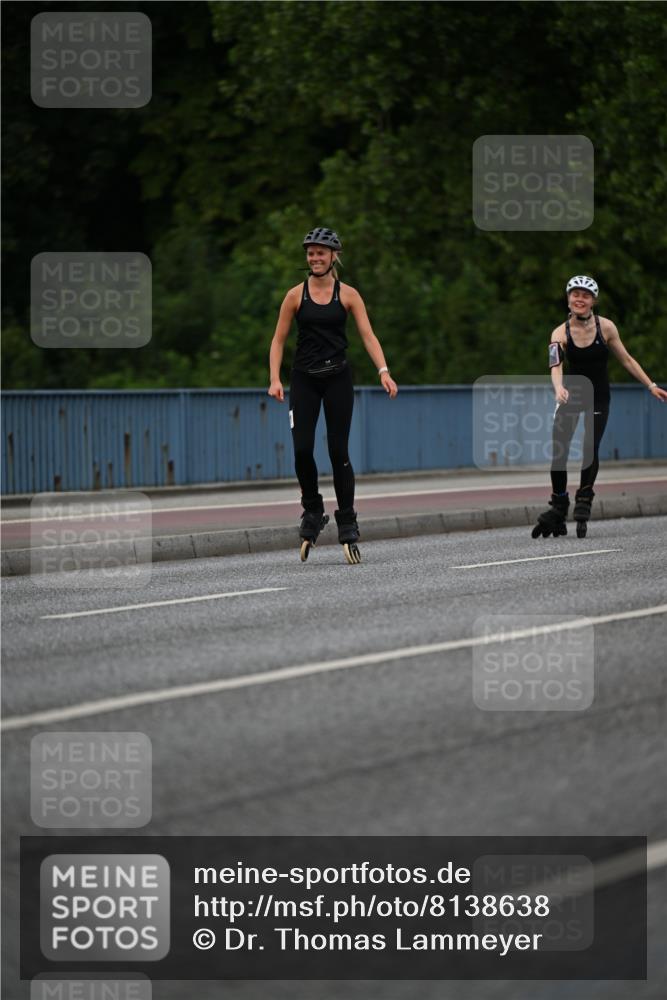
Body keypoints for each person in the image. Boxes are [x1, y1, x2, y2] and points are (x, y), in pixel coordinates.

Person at [268, 227, 398, 562]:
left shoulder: (349, 295)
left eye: (320, 253)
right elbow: (278, 340)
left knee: (339, 450)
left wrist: (383, 371)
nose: (314, 258)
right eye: (310, 253)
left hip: (338, 378)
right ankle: (312, 510)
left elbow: (368, 336)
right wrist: (274, 378)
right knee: (301, 450)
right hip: (304, 380)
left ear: (333, 256)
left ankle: (348, 522)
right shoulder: (296, 296)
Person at [532, 274, 667, 538]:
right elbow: (555, 365)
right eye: (575, 294)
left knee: (589, 447)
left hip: (598, 397)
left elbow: (627, 360)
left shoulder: (606, 328)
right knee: (559, 451)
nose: (579, 299)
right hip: (572, 396)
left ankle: (584, 498)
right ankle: (559, 506)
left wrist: (650, 385)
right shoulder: (560, 333)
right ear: (568, 298)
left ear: (593, 301)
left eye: (585, 295)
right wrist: (558, 388)